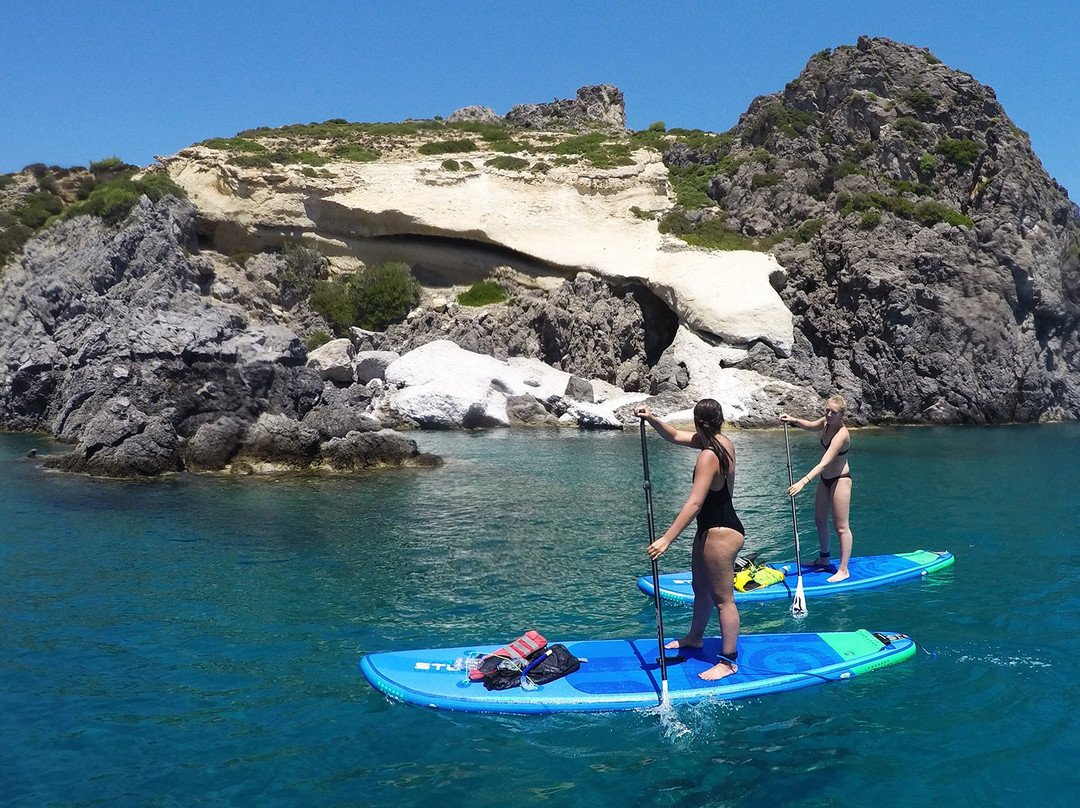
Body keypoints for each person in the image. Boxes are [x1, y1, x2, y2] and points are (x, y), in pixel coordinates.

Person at [635, 399, 745, 681]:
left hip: (721, 530)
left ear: (697, 422)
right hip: (709, 529)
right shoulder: (721, 441)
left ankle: (728, 660)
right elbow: (674, 436)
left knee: (723, 600)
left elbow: (695, 503)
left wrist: (666, 539)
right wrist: (651, 418)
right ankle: (695, 638)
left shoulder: (708, 455)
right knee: (700, 588)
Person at [779, 395, 854, 583]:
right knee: (820, 520)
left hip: (840, 480)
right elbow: (812, 426)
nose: (828, 414)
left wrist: (803, 481)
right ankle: (824, 558)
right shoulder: (827, 422)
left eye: (833, 412)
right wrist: (794, 420)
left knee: (841, 526)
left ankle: (843, 570)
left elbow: (824, 462)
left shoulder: (841, 434)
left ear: (842, 415)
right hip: (825, 479)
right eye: (827, 410)